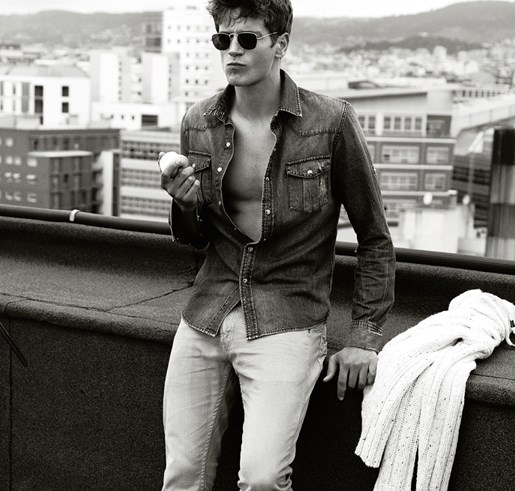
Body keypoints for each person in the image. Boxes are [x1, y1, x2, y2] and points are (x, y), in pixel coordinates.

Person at [159, 0, 395, 489]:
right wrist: (183, 204)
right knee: (182, 475)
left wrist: (363, 337)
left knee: (263, 479)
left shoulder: (330, 122)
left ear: (281, 44)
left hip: (288, 315)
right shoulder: (199, 122)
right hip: (207, 311)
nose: (233, 50)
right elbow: (196, 238)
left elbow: (374, 236)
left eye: (247, 39)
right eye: (223, 39)